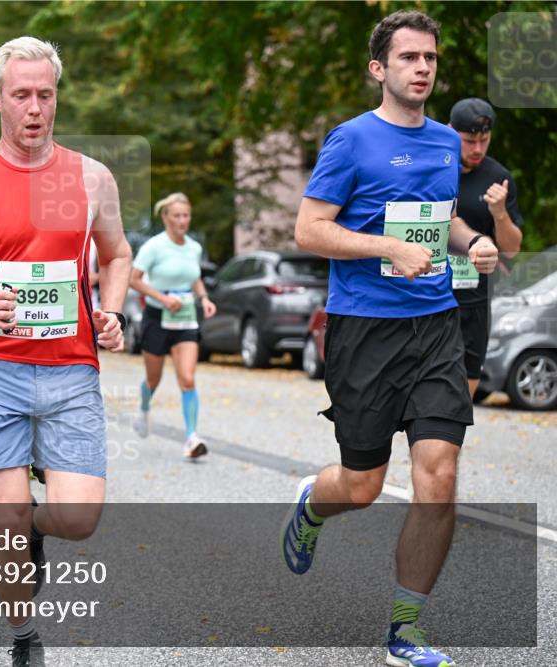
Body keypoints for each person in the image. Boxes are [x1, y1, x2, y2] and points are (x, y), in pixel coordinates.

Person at [284, 11, 498, 667]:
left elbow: (445, 219)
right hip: (365, 331)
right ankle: (311, 508)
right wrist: (385, 247)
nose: (423, 67)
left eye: (430, 57)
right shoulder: (350, 141)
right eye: (408, 57)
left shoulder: (442, 142)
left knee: (440, 474)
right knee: (362, 484)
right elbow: (309, 230)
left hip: (436, 326)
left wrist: (474, 239)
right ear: (380, 69)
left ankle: (405, 631)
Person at [0, 36, 132, 666]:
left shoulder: (92, 177)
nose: (35, 107)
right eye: (22, 96)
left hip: (70, 370)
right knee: (4, 518)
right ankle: (22, 639)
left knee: (81, 518)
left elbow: (117, 254)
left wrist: (111, 311)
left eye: (45, 94)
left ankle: (39, 523)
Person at [129, 192, 216, 459]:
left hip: (186, 316)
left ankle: (191, 438)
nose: (182, 220)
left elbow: (195, 277)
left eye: (186, 215)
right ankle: (144, 409)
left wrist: (204, 298)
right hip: (157, 317)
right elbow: (134, 279)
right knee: (154, 379)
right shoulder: (153, 247)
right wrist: (163, 298)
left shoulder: (193, 247)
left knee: (187, 379)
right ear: (166, 217)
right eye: (177, 215)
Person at [447, 98, 524, 397]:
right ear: (451, 131)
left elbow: (512, 250)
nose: (477, 149)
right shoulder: (432, 168)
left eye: (484, 140)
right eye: (469, 141)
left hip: (473, 300)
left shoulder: (498, 178)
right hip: (428, 296)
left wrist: (500, 213)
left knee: (461, 399)